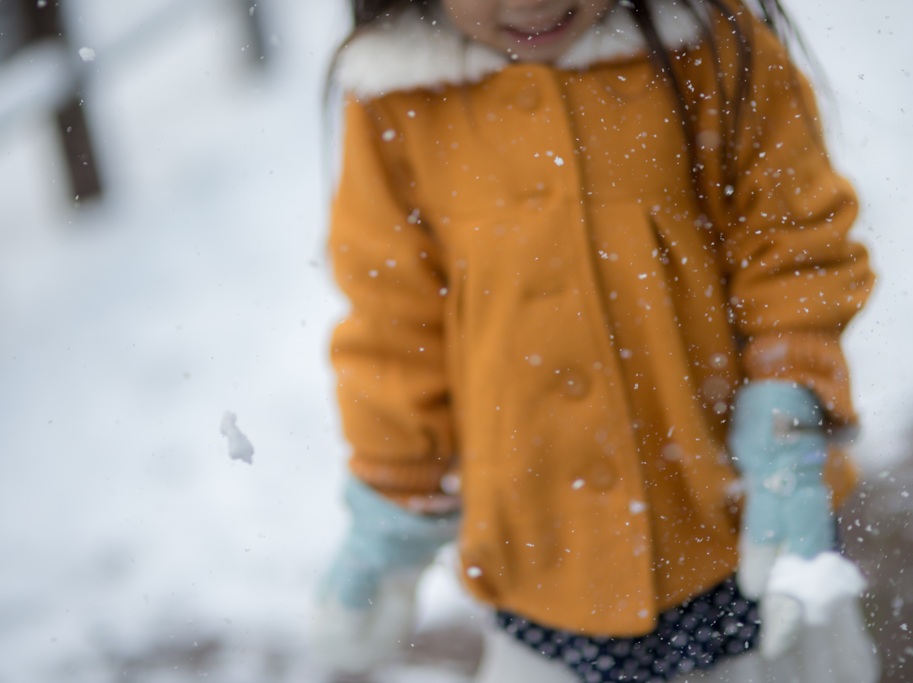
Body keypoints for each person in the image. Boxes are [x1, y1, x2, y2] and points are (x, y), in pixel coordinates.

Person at [313, 0, 879, 681]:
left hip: (738, 527)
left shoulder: (709, 47)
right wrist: (393, 500)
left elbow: (794, 242)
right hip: (543, 557)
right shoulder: (398, 103)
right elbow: (395, 318)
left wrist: (788, 406)